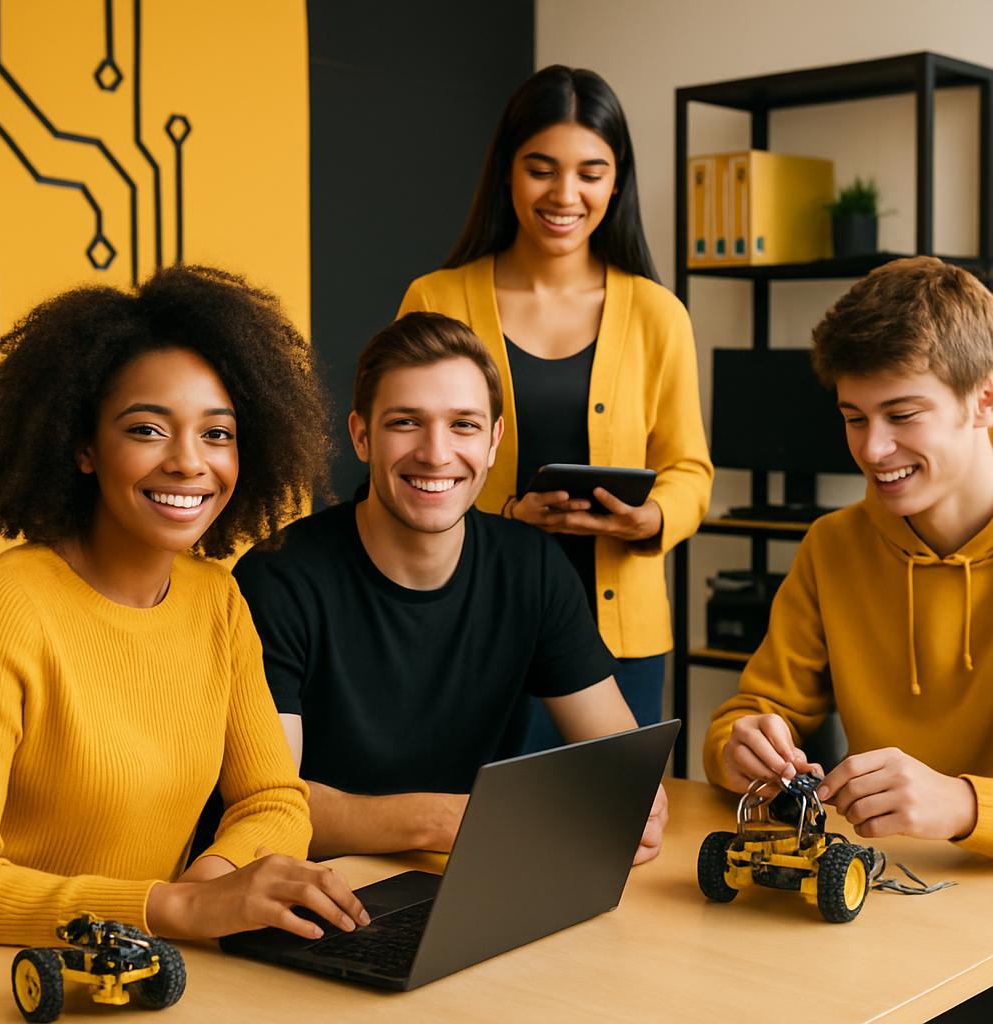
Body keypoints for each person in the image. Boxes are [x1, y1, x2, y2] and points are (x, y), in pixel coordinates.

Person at [0, 265, 369, 946]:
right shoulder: (3, 607)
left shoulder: (217, 601)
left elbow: (274, 801)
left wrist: (211, 886)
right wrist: (171, 910)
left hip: (153, 974)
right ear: (84, 446)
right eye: (148, 429)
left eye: (217, 434)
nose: (189, 463)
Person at [234, 311, 668, 861]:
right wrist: (444, 822)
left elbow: (618, 764)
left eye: (463, 424)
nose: (436, 453)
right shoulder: (277, 578)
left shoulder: (531, 566)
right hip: (316, 886)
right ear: (362, 437)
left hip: (467, 878)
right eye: (406, 423)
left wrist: (634, 804)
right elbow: (268, 806)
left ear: (493, 441)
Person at [397, 65, 712, 750]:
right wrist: (507, 516)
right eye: (541, 169)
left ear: (617, 179)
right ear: (507, 172)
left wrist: (651, 517)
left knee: (615, 838)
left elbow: (690, 468)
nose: (565, 194)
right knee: (471, 834)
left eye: (590, 172)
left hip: (621, 641)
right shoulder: (436, 299)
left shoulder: (659, 315)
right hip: (472, 627)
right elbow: (407, 461)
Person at [703, 256, 993, 857]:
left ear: (984, 401)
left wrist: (966, 805)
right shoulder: (832, 545)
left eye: (902, 415)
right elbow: (755, 709)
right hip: (880, 886)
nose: (873, 448)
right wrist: (741, 745)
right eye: (853, 418)